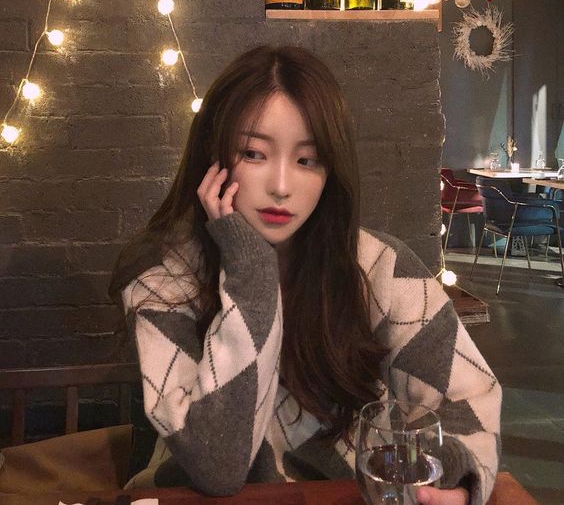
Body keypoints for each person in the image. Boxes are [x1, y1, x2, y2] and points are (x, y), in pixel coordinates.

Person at [109, 45, 501, 504]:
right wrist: (251, 274)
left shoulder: (380, 267)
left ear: (330, 170)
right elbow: (217, 466)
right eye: (253, 153)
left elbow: (469, 399)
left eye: (307, 160)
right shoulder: (163, 279)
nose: (280, 186)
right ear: (212, 157)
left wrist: (453, 481)